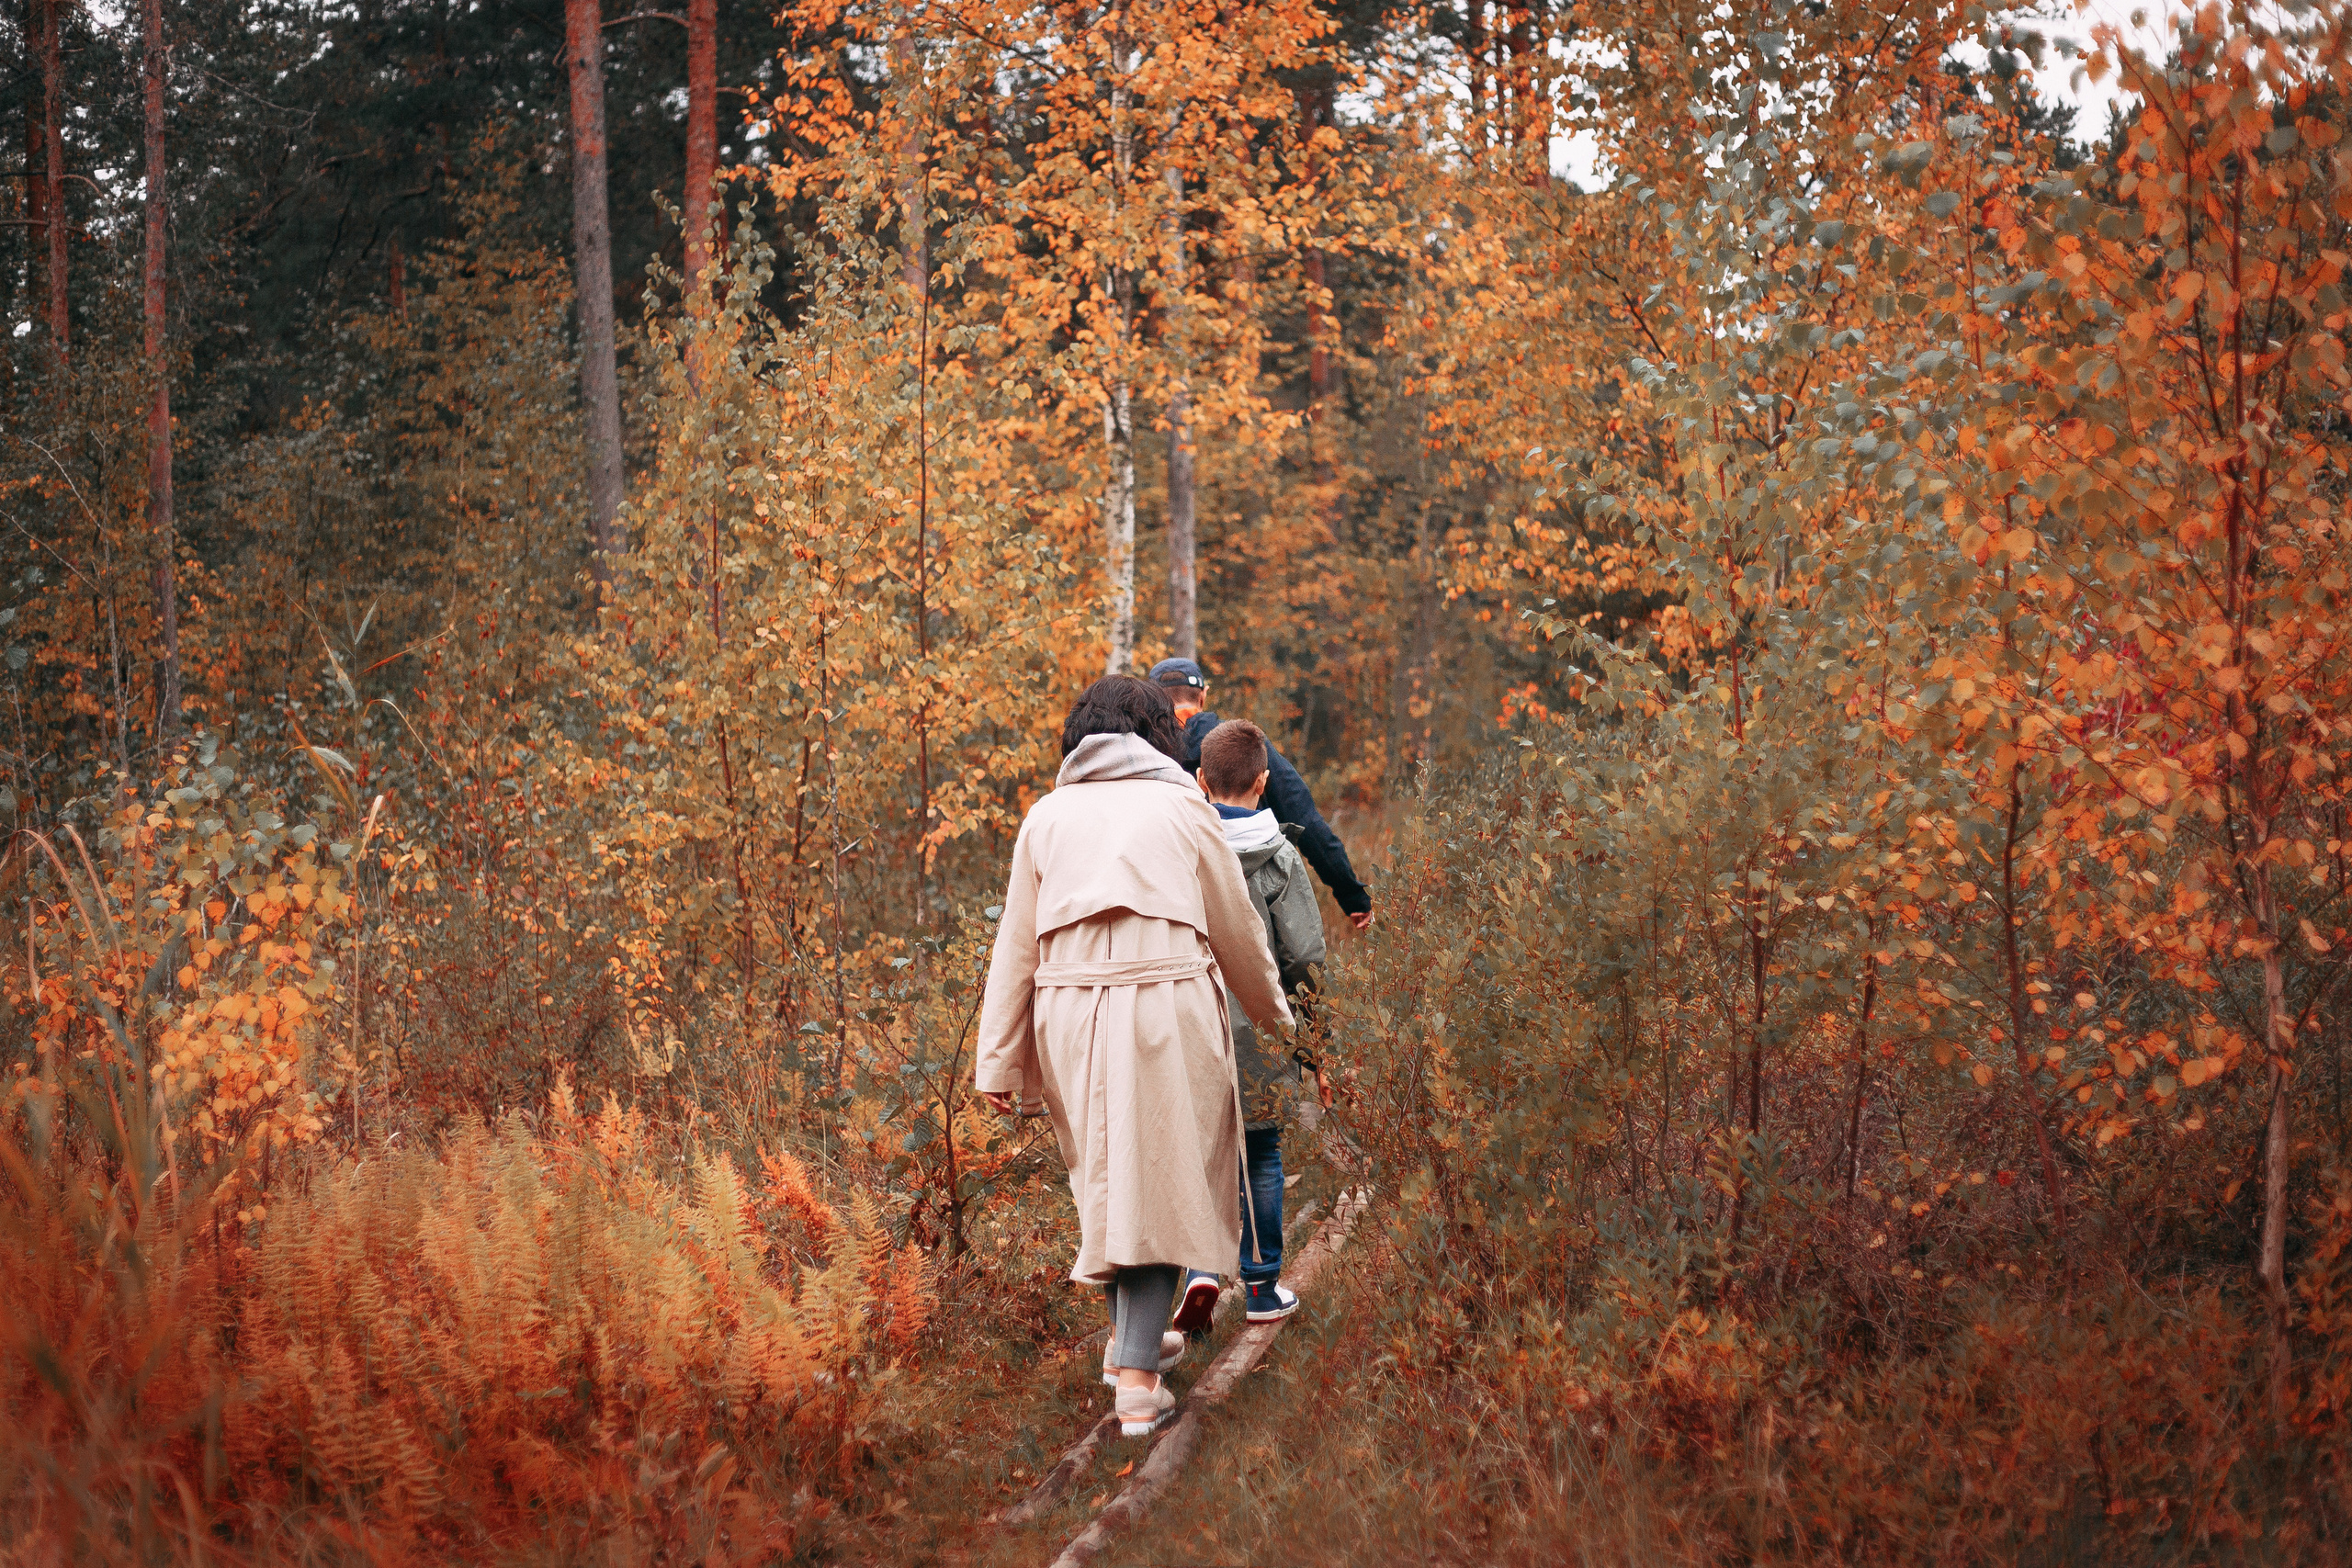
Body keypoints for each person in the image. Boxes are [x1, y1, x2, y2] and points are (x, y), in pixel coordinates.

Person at [974, 675, 1293, 1438]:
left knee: (1111, 1176)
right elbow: (1238, 929)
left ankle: (1130, 1345)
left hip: (1069, 1015)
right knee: (1162, 1178)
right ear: (1158, 732)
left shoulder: (1045, 817)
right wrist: (1278, 1017)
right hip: (1166, 1002)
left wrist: (998, 1059)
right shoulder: (1182, 806)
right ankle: (1140, 1389)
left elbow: (1015, 945)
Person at [1181, 718, 1327, 1326]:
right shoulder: (1281, 858)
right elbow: (1305, 958)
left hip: (1190, 1028)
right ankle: (1263, 1290)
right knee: (1261, 1151)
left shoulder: (1181, 850)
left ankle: (1202, 1271)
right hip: (1263, 1034)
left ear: (1199, 780)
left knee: (1198, 1155)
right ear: (1264, 782)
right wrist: (1317, 1051)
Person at [1147, 657, 1374, 931]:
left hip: (1165, 916)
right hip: (1246, 915)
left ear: (1151, 703)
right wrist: (1353, 896)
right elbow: (1305, 820)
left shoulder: (1141, 753)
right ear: (1204, 697)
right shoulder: (1243, 744)